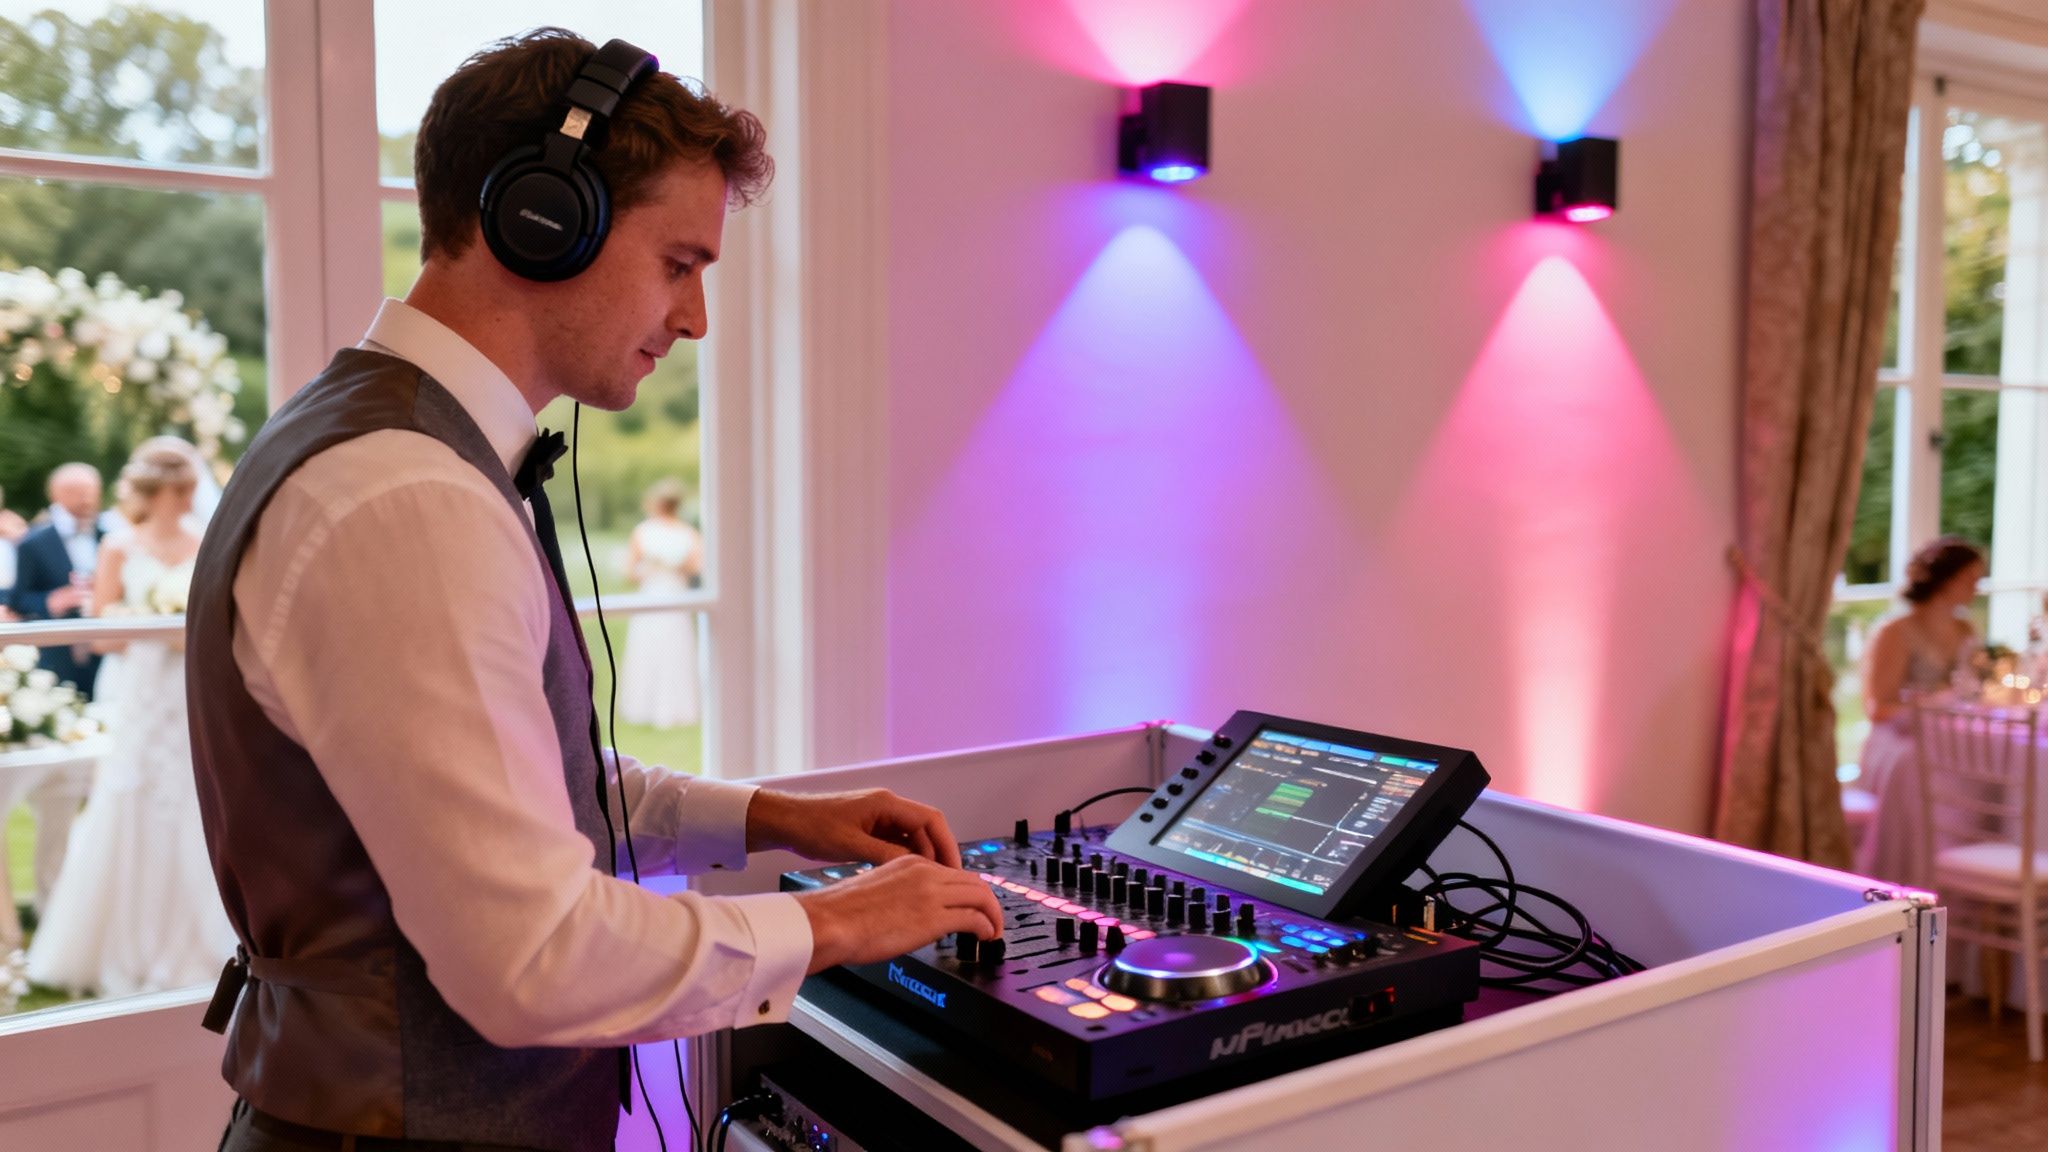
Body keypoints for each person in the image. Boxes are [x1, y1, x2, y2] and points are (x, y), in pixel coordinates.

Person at [187, 30, 1002, 1152]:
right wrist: (830, 924)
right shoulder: (405, 500)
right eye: (678, 263)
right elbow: (530, 957)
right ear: (539, 220)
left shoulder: (396, 453)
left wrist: (772, 819)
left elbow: (519, 780)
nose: (696, 319)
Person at [25, 441, 235, 996]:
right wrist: (154, 626)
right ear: (165, 490)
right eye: (184, 485)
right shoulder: (118, 547)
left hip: (186, 690)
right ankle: (116, 947)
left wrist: (182, 630)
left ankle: (201, 941)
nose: (191, 494)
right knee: (129, 797)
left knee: (195, 800)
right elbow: (101, 637)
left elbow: (217, 628)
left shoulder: (204, 541)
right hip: (141, 693)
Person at [1851, 535, 1987, 887]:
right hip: (1896, 739)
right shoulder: (1895, 632)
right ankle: (1910, 885)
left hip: (1944, 738)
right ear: (1945, 578)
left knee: (1980, 762)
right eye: (1970, 577)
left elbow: (1972, 693)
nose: (1976, 586)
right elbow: (1877, 708)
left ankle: (1970, 885)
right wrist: (1927, 705)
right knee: (1915, 767)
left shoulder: (1965, 630)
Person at [6, 463, 107, 695]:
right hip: (58, 654)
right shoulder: (33, 542)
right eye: (78, 492)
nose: (87, 500)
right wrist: (51, 600)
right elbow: (18, 599)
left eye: (92, 492)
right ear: (56, 495)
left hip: (103, 651)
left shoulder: (107, 536)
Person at [619, 476, 703, 727]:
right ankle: (664, 708)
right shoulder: (687, 533)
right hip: (667, 593)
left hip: (662, 593)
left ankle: (655, 708)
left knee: (663, 647)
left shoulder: (645, 531)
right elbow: (695, 568)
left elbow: (630, 572)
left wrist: (657, 566)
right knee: (667, 647)